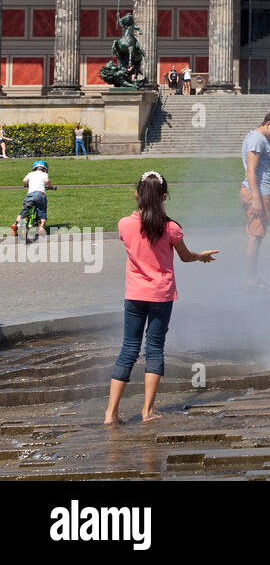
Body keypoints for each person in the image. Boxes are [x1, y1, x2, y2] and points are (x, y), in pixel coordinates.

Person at [105, 171, 217, 425]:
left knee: (128, 349)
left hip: (134, 294)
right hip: (161, 296)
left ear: (137, 194)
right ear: (164, 196)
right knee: (154, 349)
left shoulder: (124, 224)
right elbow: (185, 256)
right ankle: (147, 411)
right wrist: (201, 256)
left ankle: (110, 413)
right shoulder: (171, 228)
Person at [240, 111, 270, 291]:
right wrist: (256, 198)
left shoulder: (261, 139)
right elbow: (251, 170)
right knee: (255, 238)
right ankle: (251, 280)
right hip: (257, 193)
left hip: (258, 192)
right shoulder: (257, 139)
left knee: (254, 237)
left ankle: (253, 277)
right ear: (268, 123)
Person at [12, 160, 55, 237]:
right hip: (40, 195)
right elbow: (47, 181)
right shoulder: (44, 174)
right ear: (45, 169)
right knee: (42, 211)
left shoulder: (30, 174)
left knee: (25, 209)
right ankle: (41, 227)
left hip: (30, 195)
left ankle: (16, 222)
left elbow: (24, 180)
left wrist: (26, 185)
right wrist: (50, 186)